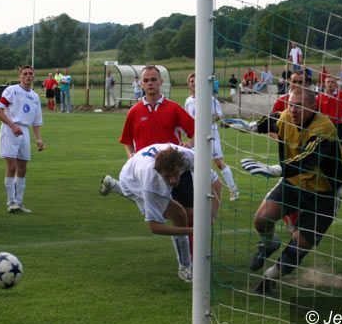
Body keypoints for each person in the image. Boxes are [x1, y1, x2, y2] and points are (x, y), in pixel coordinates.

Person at [240, 87, 342, 295]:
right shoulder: (286, 117)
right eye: (290, 104)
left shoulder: (324, 128)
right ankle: (270, 244)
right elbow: (272, 120)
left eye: (299, 105)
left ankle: (270, 277)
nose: (293, 109)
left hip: (324, 195)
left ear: (313, 107)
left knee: (300, 244)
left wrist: (275, 169)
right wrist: (248, 126)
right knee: (261, 219)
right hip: (293, 184)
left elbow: (309, 160)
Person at [100, 144, 221, 282]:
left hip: (136, 167)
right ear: (159, 172)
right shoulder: (151, 184)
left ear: (181, 165)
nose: (173, 180)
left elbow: (216, 183)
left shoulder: (189, 157)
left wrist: (212, 216)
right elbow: (155, 227)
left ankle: (113, 185)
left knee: (176, 212)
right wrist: (194, 231)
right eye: (167, 177)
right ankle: (185, 268)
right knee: (179, 214)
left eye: (175, 174)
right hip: (131, 181)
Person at [106, 65, 196, 246]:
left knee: (189, 215)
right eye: (146, 80)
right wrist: (131, 155)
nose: (150, 83)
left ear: (161, 82)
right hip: (151, 172)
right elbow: (127, 140)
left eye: (153, 80)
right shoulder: (134, 111)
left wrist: (190, 144)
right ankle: (186, 260)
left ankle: (195, 255)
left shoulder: (173, 108)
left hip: (175, 168)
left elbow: (194, 130)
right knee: (173, 214)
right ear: (141, 84)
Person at [0, 65, 44, 214]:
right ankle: (11, 202)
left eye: (31, 74)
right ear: (20, 77)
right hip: (10, 130)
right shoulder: (11, 90)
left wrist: (39, 139)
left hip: (25, 131)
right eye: (25, 74)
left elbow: (36, 122)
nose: (28, 76)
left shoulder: (35, 97)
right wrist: (12, 125)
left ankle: (19, 202)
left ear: (34, 77)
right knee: (11, 167)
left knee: (23, 168)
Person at [185, 73, 239, 200]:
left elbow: (218, 115)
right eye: (191, 81)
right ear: (188, 85)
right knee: (194, 163)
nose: (193, 83)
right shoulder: (188, 101)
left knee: (218, 163)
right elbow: (187, 120)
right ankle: (197, 192)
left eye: (195, 80)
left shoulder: (210, 99)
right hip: (195, 136)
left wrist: (204, 123)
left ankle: (233, 190)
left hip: (211, 134)